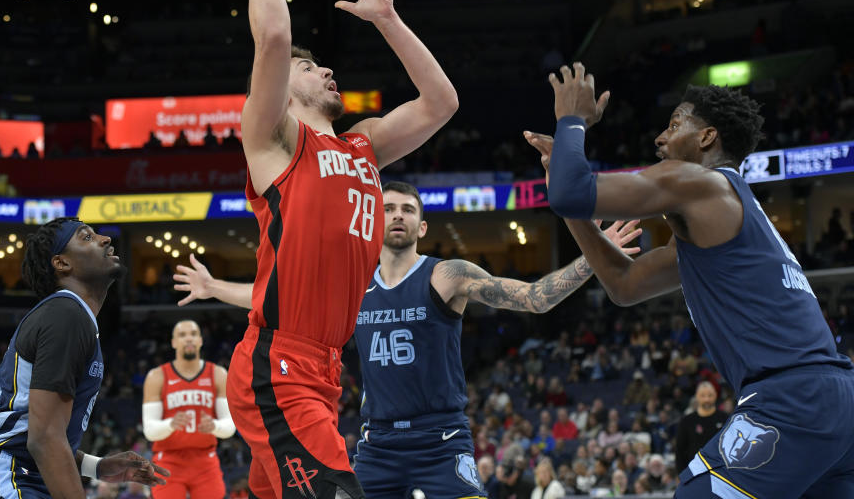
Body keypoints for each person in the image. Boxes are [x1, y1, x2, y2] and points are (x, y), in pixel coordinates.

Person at [201, 0, 459, 499]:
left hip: (325, 369)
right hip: (277, 365)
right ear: (284, 89)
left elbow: (442, 103)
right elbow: (273, 41)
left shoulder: (363, 144)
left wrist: (387, 19)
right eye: (311, 68)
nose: (326, 70)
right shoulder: (274, 140)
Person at [173, 182, 640, 498]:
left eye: (408, 211)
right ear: (374, 222)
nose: (397, 215)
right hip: (377, 447)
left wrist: (591, 260)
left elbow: (535, 299)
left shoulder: (446, 275)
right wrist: (215, 289)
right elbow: (276, 299)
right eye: (388, 208)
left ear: (421, 227)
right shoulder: (350, 286)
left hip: (442, 441)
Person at [527, 62, 854, 498]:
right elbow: (624, 285)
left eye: (675, 123)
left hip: (793, 398)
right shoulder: (721, 215)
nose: (661, 137)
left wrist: (573, 120)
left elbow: (573, 189)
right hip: (833, 402)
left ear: (707, 137)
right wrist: (572, 210)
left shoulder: (697, 182)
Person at [0, 217, 169, 498]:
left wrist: (97, 467)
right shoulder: (66, 314)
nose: (105, 239)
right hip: (3, 476)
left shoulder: (71, 316)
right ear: (62, 263)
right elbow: (44, 439)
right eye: (86, 237)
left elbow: (32, 432)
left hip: (19, 476)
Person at [141, 320, 234, 499]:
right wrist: (170, 424)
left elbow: (230, 426)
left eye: (193, 334)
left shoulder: (218, 374)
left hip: (205, 460)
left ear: (200, 340)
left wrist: (214, 426)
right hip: (168, 459)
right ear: (173, 342)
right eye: (182, 335)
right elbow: (150, 430)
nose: (188, 339)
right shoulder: (157, 376)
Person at [674, 381, 729, 472]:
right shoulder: (687, 421)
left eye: (710, 395)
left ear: (715, 396)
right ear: (697, 397)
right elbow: (680, 450)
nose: (706, 399)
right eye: (702, 396)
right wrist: (681, 475)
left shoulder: (725, 418)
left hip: (720, 472)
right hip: (695, 472)